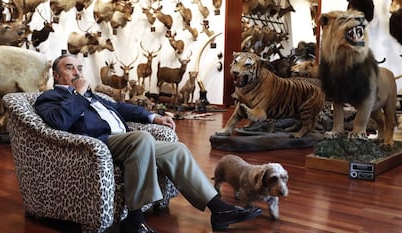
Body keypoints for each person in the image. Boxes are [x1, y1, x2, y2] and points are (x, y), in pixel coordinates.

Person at [34, 54, 261, 233]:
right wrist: (80, 95)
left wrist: (154, 117)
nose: (77, 72)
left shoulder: (94, 96)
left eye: (79, 68)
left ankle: (219, 209)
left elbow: (122, 108)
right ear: (56, 75)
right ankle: (134, 221)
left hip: (126, 141)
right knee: (141, 139)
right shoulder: (50, 98)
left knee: (177, 150)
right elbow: (59, 122)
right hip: (98, 146)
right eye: (69, 68)